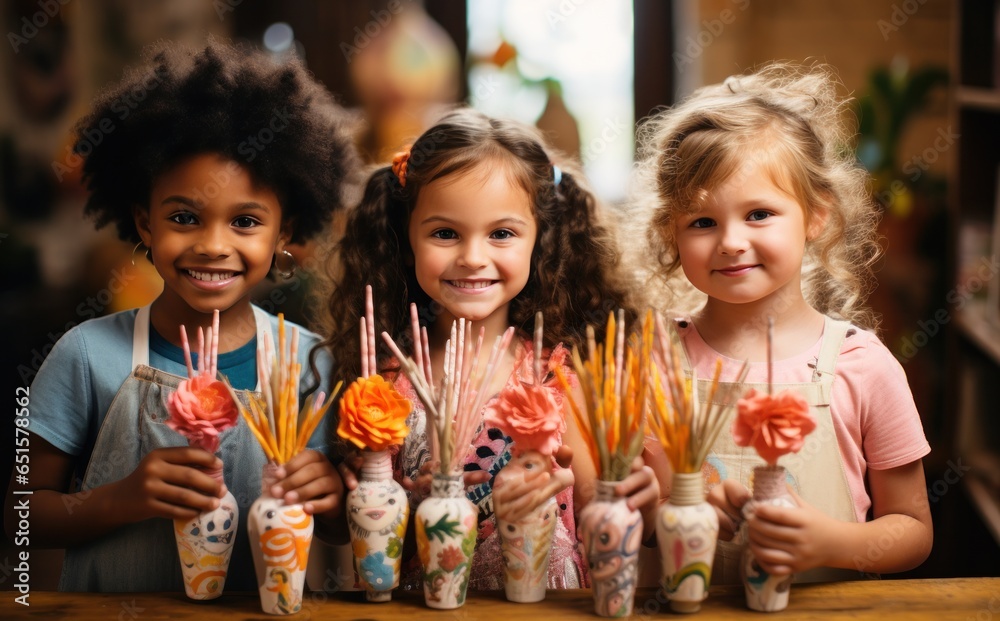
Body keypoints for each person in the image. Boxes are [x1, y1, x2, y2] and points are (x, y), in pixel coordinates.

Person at [3, 40, 361, 592]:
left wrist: (334, 502)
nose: (214, 246)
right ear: (145, 224)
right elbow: (19, 519)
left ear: (284, 233)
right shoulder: (84, 353)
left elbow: (337, 532)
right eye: (184, 217)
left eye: (245, 221)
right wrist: (119, 499)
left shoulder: (310, 361)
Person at [315, 108, 660, 590]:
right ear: (405, 236)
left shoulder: (561, 378)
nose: (473, 257)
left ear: (540, 239)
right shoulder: (381, 381)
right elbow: (360, 537)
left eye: (501, 233)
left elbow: (598, 513)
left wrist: (627, 500)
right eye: (445, 233)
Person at [629, 62, 933, 583]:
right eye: (702, 222)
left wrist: (829, 543)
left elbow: (912, 531)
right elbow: (633, 512)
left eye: (759, 214)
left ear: (816, 215)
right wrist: (668, 515)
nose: (730, 241)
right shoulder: (648, 360)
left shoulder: (863, 365)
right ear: (670, 235)